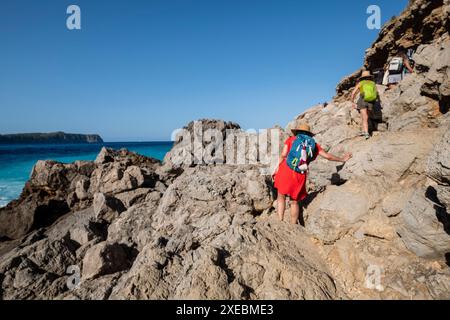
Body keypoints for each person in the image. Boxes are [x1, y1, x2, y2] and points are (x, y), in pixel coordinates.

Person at [272, 122, 352, 225]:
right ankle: (293, 225)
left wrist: (276, 168)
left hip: (286, 169)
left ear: (297, 132)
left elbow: (283, 155)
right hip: (300, 173)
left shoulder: (291, 139)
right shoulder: (314, 145)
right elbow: (328, 156)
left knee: (281, 196)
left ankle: (280, 220)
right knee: (294, 201)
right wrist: (342, 159)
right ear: (309, 134)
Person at [350, 70, 379, 140]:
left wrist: (352, 102)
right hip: (370, 102)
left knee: (364, 118)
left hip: (362, 100)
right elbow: (376, 94)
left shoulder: (361, 83)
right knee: (367, 117)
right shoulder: (373, 83)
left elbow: (353, 93)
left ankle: (366, 133)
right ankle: (365, 131)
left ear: (362, 77)